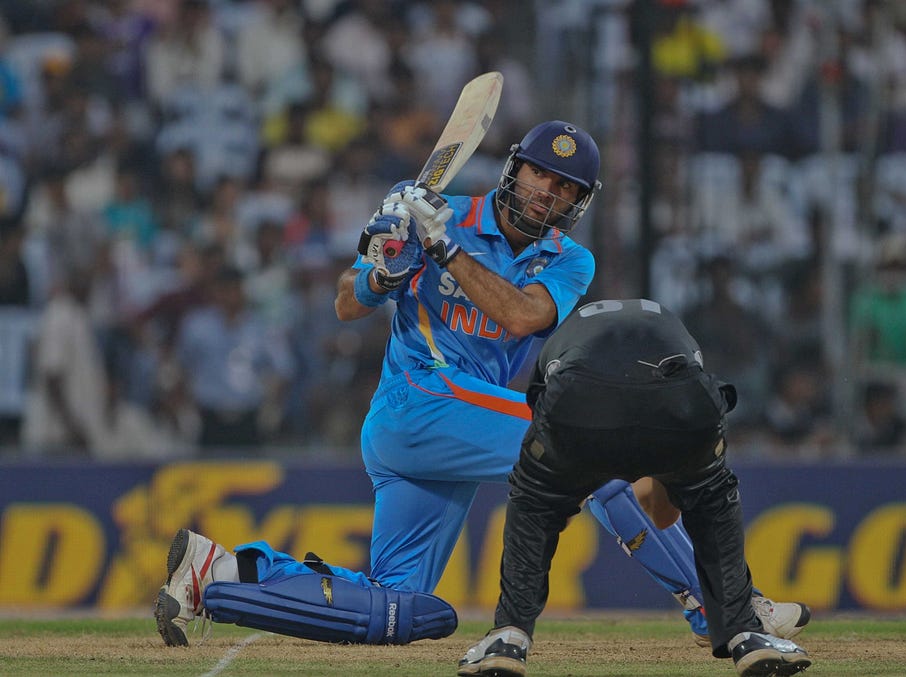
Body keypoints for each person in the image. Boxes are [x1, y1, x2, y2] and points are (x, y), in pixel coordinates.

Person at [154, 120, 807, 648]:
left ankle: (223, 573)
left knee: (409, 608)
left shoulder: (568, 258)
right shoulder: (443, 215)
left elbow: (521, 314)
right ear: (514, 168)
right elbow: (346, 303)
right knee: (593, 452)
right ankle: (719, 605)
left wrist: (441, 250)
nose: (548, 191)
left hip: (443, 431)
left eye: (566, 186)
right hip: (418, 400)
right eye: (540, 173)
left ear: (580, 202)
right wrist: (383, 269)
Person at [458, 298, 813, 677]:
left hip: (577, 404)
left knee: (532, 502)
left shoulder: (564, 338)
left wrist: (560, 498)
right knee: (712, 498)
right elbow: (664, 514)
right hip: (679, 404)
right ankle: (747, 633)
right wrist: (663, 479)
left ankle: (509, 637)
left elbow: (547, 414)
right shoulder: (674, 333)